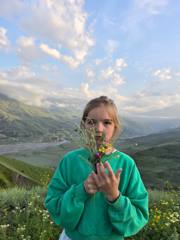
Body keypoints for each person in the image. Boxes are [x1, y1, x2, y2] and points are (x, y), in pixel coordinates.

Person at [45, 96, 149, 240]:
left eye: (107, 123)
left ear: (115, 128)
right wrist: (81, 191)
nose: (98, 129)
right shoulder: (70, 161)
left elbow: (138, 217)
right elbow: (54, 206)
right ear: (83, 126)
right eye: (91, 122)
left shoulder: (126, 164)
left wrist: (114, 196)